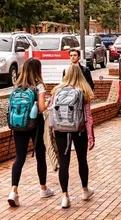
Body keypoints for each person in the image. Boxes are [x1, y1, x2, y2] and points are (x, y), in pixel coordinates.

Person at [7, 58, 55, 207]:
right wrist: (48, 102)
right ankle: (43, 188)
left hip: (18, 125)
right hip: (35, 126)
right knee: (40, 156)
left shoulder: (17, 86)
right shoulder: (38, 86)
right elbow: (41, 108)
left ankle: (13, 191)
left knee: (19, 158)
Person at [50, 64, 95, 208]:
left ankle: (65, 197)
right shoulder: (84, 91)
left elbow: (51, 111)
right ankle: (84, 190)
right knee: (82, 160)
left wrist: (53, 130)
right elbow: (88, 116)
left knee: (64, 162)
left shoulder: (57, 90)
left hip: (61, 130)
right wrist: (91, 137)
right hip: (79, 129)